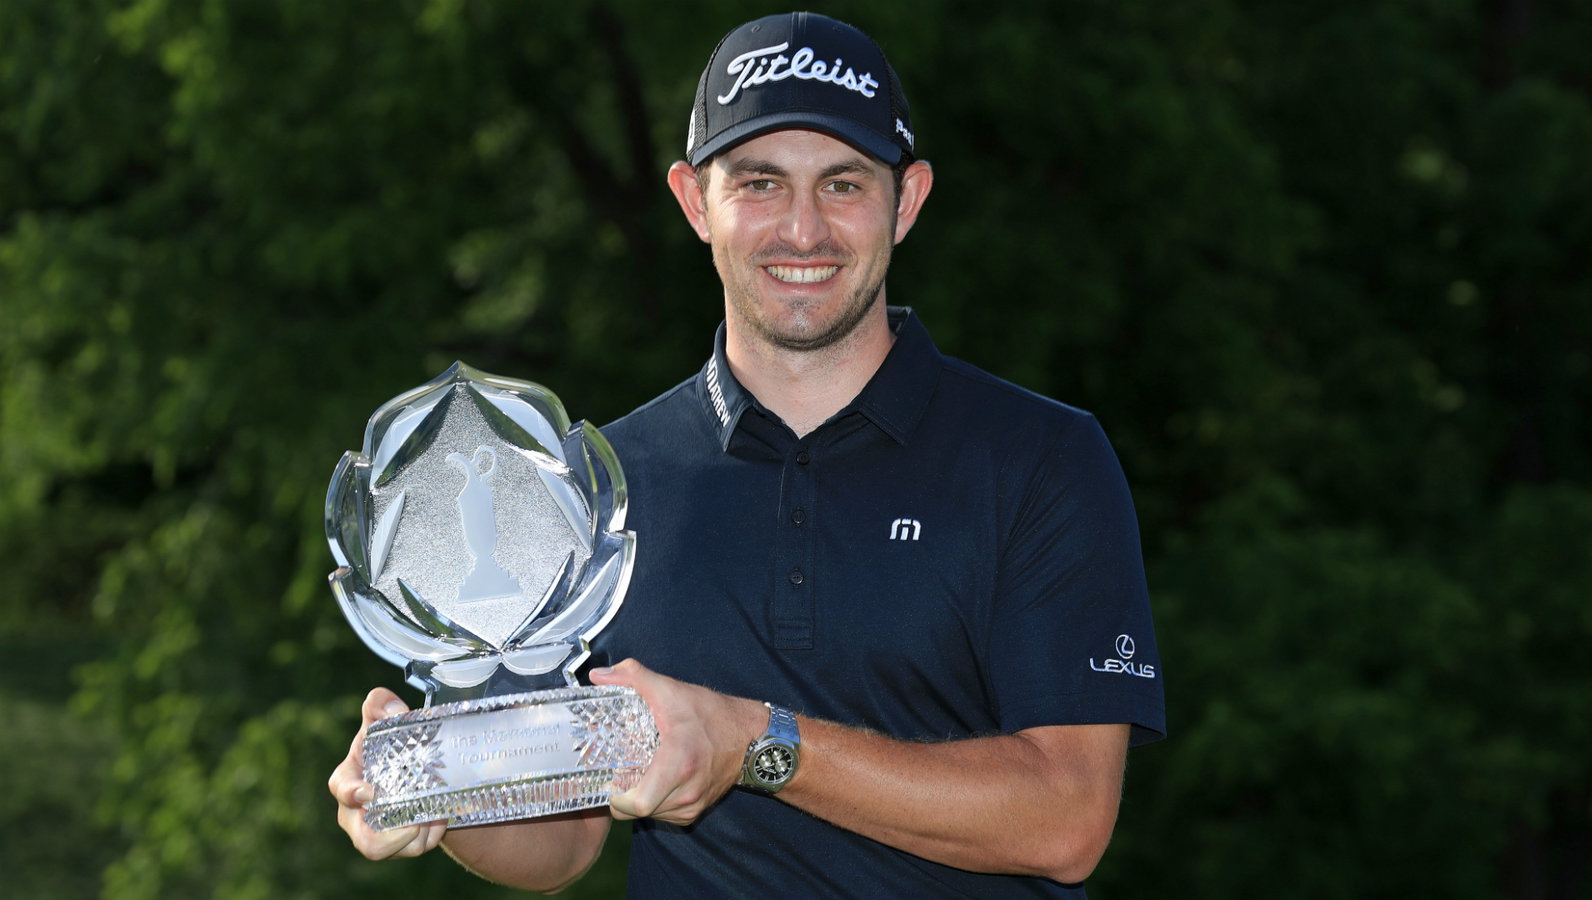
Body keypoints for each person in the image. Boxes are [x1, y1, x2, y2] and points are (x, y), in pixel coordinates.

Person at [330, 11, 1165, 897]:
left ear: (907, 201)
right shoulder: (598, 485)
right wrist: (442, 785)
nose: (801, 231)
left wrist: (756, 743)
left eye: (843, 184)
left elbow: (1067, 818)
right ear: (695, 201)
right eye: (760, 183)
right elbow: (563, 843)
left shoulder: (1040, 457)